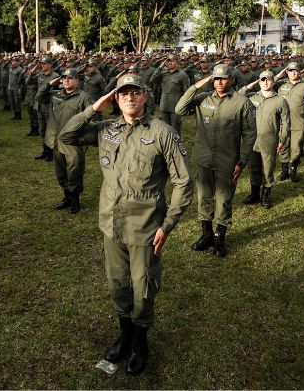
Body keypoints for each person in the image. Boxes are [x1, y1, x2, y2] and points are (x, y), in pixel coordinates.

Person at [59, 74, 193, 375]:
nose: (130, 98)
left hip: (146, 227)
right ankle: (125, 333)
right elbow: (66, 136)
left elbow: (184, 182)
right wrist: (95, 107)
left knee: (143, 287)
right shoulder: (106, 130)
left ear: (145, 96)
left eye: (135, 93)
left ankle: (141, 340)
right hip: (111, 223)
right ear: (115, 99)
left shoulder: (163, 132)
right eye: (123, 94)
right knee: (118, 284)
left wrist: (167, 224)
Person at [175, 64, 256, 258]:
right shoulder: (204, 98)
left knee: (223, 199)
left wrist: (242, 160)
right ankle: (206, 235)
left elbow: (250, 134)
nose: (219, 82)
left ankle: (220, 238)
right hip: (203, 157)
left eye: (223, 78)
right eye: (216, 79)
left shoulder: (242, 103)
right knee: (204, 197)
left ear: (231, 79)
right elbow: (179, 109)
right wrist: (197, 85)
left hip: (227, 160)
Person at [237, 70, 291, 208]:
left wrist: (282, 140)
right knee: (253, 168)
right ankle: (254, 194)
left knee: (267, 169)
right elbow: (238, 95)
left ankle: (265, 195)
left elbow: (285, 123)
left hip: (269, 141)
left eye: (268, 79)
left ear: (273, 82)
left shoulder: (280, 101)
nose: (265, 82)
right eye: (262, 80)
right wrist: (251, 85)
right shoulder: (252, 97)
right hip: (252, 141)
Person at [43, 68, 92, 213]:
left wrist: (85, 142)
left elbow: (92, 120)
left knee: (74, 172)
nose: (66, 80)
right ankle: (67, 197)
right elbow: (40, 97)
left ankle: (75, 200)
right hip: (56, 140)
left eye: (70, 78)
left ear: (77, 81)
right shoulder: (56, 94)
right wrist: (50, 83)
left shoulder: (84, 97)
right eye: (63, 78)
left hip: (73, 142)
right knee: (61, 172)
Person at [149, 55, 190, 133]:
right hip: (164, 105)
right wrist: (160, 67)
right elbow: (152, 79)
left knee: (175, 129)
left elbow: (187, 92)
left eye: (172, 61)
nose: (169, 63)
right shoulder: (163, 73)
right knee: (166, 129)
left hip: (176, 106)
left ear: (177, 62)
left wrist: (184, 106)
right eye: (168, 61)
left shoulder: (182, 75)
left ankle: (176, 145)